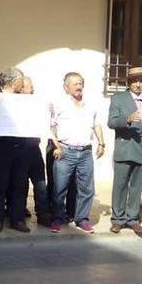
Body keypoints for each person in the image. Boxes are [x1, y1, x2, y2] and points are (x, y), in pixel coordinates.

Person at [49, 72, 104, 234]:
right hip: (65, 151)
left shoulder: (91, 104)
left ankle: (82, 220)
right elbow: (50, 127)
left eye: (80, 83)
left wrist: (101, 143)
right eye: (75, 84)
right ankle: (57, 219)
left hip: (86, 152)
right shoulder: (58, 104)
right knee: (60, 188)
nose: (79, 86)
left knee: (87, 189)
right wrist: (56, 146)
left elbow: (97, 125)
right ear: (66, 87)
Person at [107, 66, 142, 239]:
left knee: (137, 186)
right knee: (120, 185)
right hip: (125, 146)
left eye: (141, 81)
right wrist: (127, 119)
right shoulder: (118, 98)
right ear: (129, 82)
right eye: (134, 81)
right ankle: (118, 219)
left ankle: (132, 218)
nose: (138, 84)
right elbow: (111, 122)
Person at [0, 67, 31, 233]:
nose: (22, 84)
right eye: (20, 81)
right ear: (13, 81)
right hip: (1, 147)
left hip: (21, 147)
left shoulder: (23, 99)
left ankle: (17, 219)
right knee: (0, 184)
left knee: (20, 184)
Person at [21, 76, 50, 226]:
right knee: (21, 183)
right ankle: (20, 209)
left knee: (40, 183)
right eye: (23, 86)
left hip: (34, 148)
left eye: (28, 86)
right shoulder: (14, 103)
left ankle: (43, 214)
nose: (26, 89)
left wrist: (49, 110)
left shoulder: (39, 104)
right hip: (19, 149)